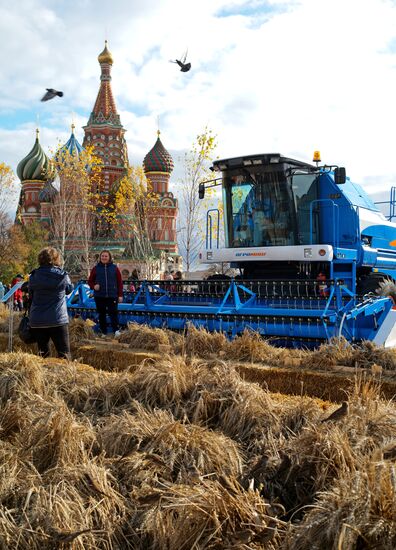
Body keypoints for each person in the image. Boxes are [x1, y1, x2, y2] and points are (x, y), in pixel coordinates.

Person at [28, 247, 72, 359]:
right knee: (64, 354)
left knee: (43, 354)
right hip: (57, 318)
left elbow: (31, 295)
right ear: (56, 259)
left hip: (37, 319)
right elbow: (69, 289)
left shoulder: (33, 276)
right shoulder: (62, 275)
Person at [88, 250, 123, 336]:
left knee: (113, 313)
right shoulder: (96, 268)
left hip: (112, 295)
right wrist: (94, 286)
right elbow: (90, 281)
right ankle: (103, 332)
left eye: (106, 256)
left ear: (109, 257)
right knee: (101, 314)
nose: (104, 257)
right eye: (102, 256)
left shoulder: (115, 268)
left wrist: (120, 295)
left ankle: (116, 331)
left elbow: (120, 282)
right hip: (99, 296)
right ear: (100, 257)